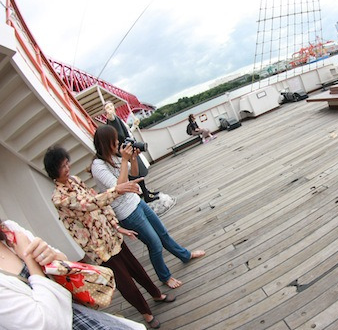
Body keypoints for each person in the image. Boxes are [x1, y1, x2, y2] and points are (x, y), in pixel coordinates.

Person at [44, 146, 176, 329]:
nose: (67, 168)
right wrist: (118, 190)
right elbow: (91, 203)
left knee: (136, 267)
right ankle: (146, 313)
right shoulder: (59, 198)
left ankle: (156, 295)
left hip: (111, 234)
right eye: (63, 166)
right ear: (54, 171)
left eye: (67, 163)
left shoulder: (75, 180)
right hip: (98, 246)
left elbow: (100, 203)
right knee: (124, 281)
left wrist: (116, 227)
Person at [91, 125, 206, 289]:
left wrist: (132, 159)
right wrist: (124, 160)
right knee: (155, 244)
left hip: (137, 202)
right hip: (127, 213)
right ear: (105, 142)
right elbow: (120, 188)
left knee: (163, 233)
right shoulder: (98, 166)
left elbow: (135, 174)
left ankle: (185, 256)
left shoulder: (115, 157)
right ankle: (165, 277)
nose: (118, 142)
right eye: (114, 139)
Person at [0, 219, 146, 330]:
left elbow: (63, 261)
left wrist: (51, 256)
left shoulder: (10, 230)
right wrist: (30, 260)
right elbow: (45, 323)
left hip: (84, 315)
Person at [104, 101, 159, 203]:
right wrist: (110, 115)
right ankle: (145, 194)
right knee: (136, 173)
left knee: (138, 171)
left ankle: (146, 191)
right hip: (126, 150)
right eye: (108, 107)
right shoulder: (112, 120)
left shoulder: (117, 120)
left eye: (111, 106)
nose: (110, 108)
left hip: (129, 146)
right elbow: (120, 133)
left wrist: (134, 126)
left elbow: (126, 133)